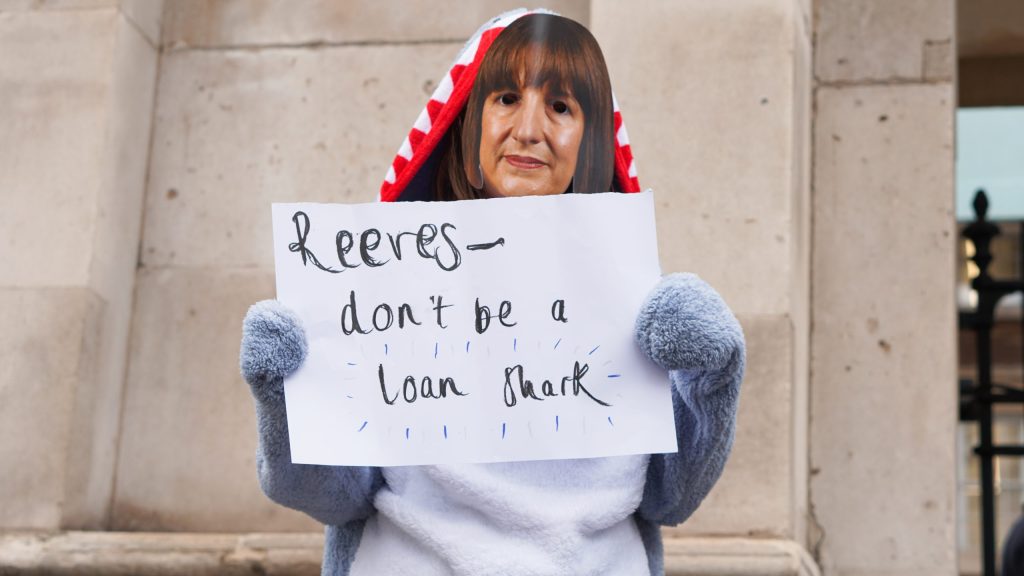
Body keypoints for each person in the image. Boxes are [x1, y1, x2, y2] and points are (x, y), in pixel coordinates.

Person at [240, 10, 744, 575]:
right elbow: (329, 496)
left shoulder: (634, 302)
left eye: (561, 107)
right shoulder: (383, 290)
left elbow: (671, 498)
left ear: (592, 140)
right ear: (469, 122)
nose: (528, 129)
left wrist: (713, 376)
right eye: (506, 98)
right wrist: (283, 398)